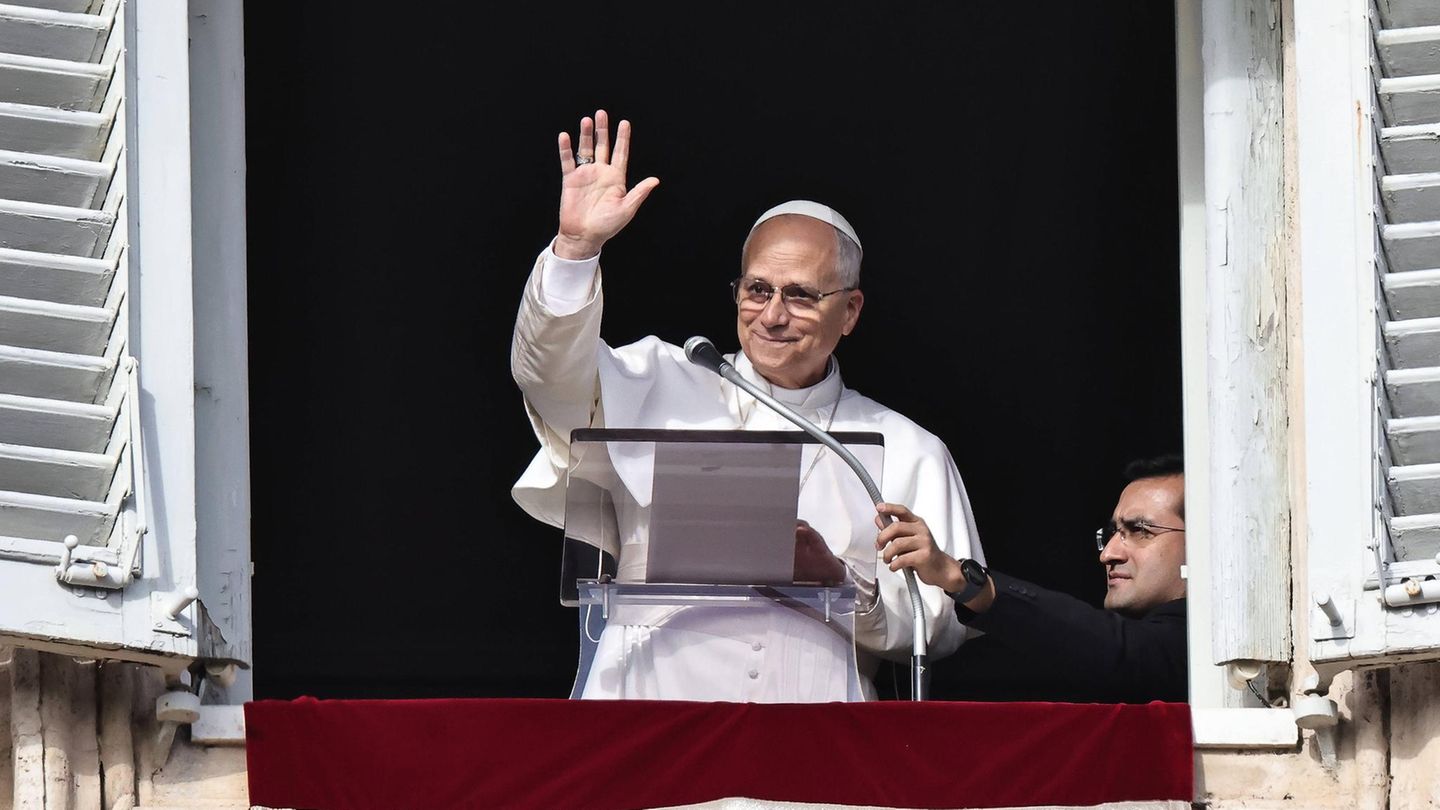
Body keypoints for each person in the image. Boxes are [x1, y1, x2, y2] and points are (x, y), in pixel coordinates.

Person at [509, 109, 986, 702]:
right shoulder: (661, 377)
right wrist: (576, 250)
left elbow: (941, 626)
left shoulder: (907, 447)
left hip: (814, 725)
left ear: (852, 311)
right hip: (645, 704)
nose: (773, 315)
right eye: (757, 290)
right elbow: (545, 375)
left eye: (801, 296)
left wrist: (842, 584)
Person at [878, 454, 1187, 703]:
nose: (1108, 554)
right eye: (1110, 534)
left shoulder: (1211, 648)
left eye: (1140, 531)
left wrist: (961, 579)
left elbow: (1131, 652)